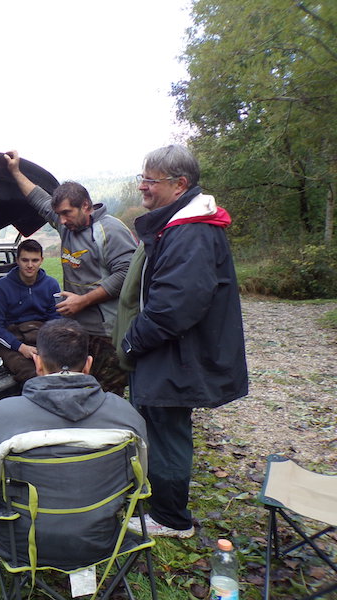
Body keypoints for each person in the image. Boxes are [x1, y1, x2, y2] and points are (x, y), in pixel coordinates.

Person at [121, 145, 248, 538]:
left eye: (150, 180)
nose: (142, 187)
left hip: (175, 354)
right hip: (169, 352)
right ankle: (158, 501)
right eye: (142, 178)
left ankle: (170, 518)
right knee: (159, 426)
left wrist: (132, 342)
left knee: (167, 431)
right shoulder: (179, 225)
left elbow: (173, 307)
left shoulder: (191, 232)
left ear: (180, 185)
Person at [0, 318, 147, 563]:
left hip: (21, 546)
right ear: (88, 365)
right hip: (104, 541)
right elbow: (138, 485)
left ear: (38, 363)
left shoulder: (2, 418)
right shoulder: (126, 416)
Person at [3, 150, 136, 395]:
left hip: (108, 333)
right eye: (59, 214)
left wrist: (82, 301)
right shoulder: (67, 225)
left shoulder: (110, 230)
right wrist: (15, 171)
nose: (62, 220)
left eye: (67, 213)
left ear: (85, 206)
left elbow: (126, 274)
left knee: (105, 394)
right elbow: (38, 199)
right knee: (78, 390)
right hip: (78, 331)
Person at [0, 238, 61, 382]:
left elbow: (56, 320)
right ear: (17, 260)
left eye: (35, 260)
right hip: (12, 340)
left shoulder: (51, 284)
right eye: (25, 260)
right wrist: (21, 347)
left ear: (41, 260)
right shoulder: (2, 286)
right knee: (31, 373)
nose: (30, 265)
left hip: (43, 335)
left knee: (62, 367)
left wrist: (46, 346)